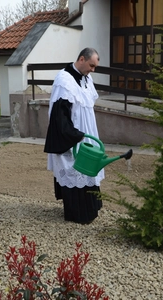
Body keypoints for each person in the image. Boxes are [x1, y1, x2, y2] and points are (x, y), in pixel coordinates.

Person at [44, 47, 104, 224]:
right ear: (81, 59)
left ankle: (90, 207)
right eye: (91, 65)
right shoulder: (64, 80)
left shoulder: (86, 77)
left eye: (95, 67)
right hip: (73, 135)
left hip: (87, 131)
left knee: (89, 169)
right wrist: (74, 135)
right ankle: (78, 213)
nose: (93, 70)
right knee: (74, 169)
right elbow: (59, 114)